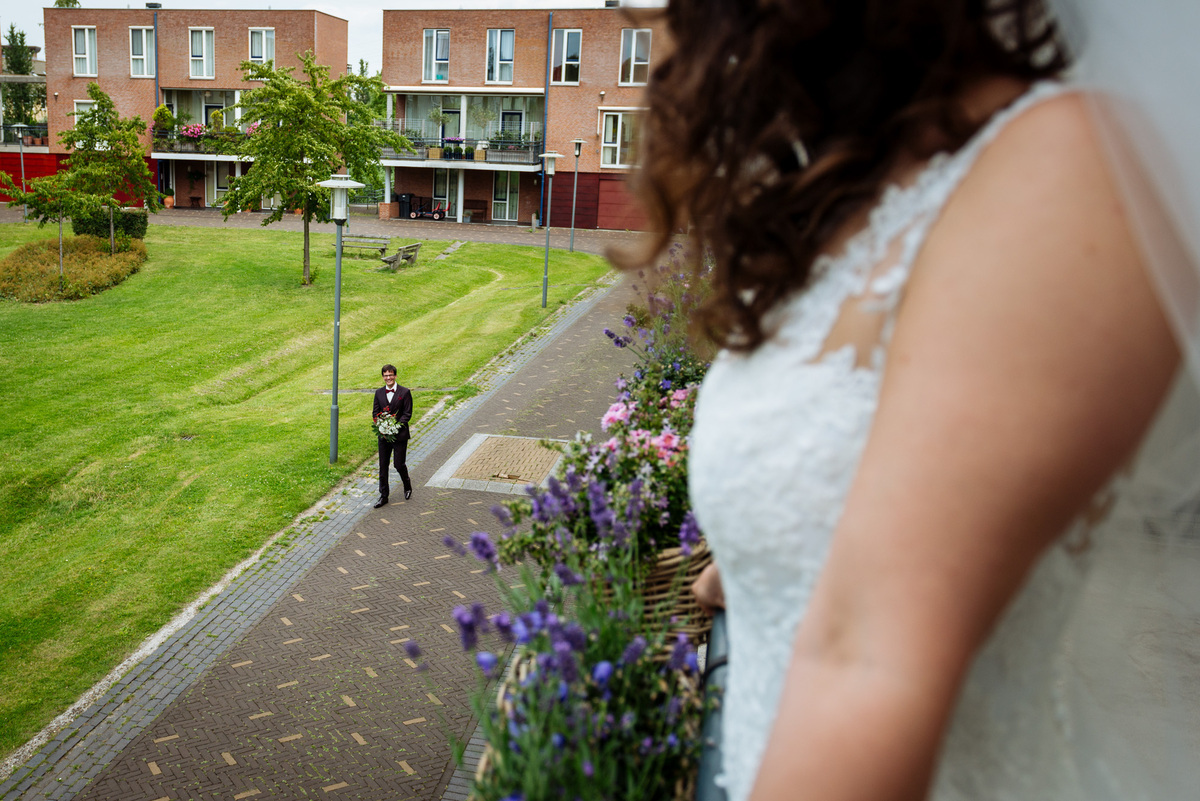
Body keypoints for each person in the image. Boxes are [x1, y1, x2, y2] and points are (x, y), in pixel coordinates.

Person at [624, 1, 1193, 799]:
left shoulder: (1066, 169)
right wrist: (754, 567)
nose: (654, 18)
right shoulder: (862, 188)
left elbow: (867, 657)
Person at [373, 364, 412, 507]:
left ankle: (407, 485)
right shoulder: (378, 393)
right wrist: (381, 426)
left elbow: (407, 414)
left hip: (399, 435)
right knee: (383, 466)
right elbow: (375, 413)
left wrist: (395, 427)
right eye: (385, 375)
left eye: (390, 375)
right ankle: (384, 496)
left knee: (398, 464)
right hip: (383, 436)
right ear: (383, 377)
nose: (388, 378)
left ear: (395, 376)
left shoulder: (405, 392)